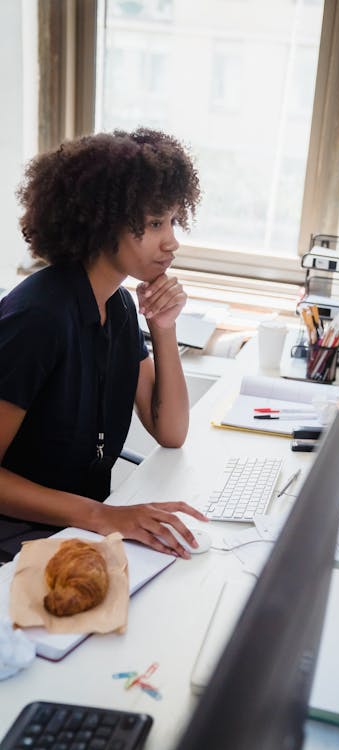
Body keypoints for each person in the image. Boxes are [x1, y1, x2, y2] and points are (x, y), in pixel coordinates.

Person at [0, 127, 208, 560]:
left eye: (172, 220)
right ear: (101, 220)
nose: (172, 241)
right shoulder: (38, 317)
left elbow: (170, 432)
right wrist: (103, 516)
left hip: (78, 532)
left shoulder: (118, 307)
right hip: (19, 543)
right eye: (154, 224)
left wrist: (164, 326)